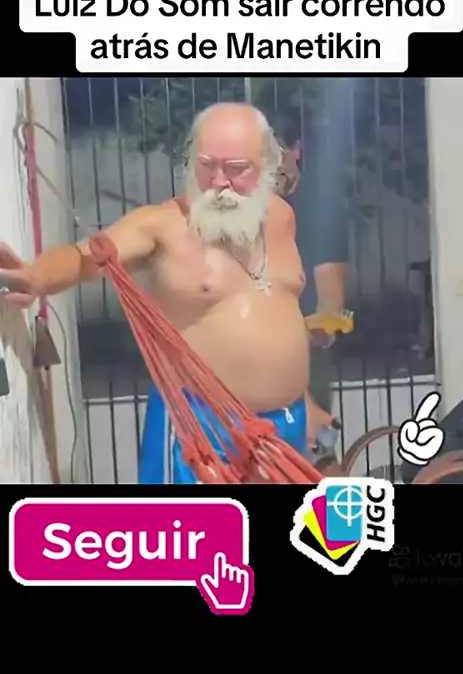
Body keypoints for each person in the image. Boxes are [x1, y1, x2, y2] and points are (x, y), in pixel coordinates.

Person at [0, 102, 336, 484]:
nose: (218, 181)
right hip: (199, 427)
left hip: (286, 426)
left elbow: (280, 312)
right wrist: (36, 276)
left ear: (267, 165)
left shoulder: (281, 217)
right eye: (206, 165)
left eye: (235, 168)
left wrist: (304, 400)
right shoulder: (162, 226)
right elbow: (84, 258)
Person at [273, 105, 350, 458]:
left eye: (276, 151)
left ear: (296, 149)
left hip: (302, 363)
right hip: (249, 368)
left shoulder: (319, 209)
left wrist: (309, 333)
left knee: (313, 463)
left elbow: (330, 309)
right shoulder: (247, 211)